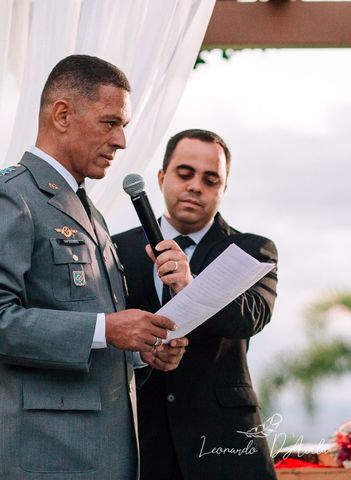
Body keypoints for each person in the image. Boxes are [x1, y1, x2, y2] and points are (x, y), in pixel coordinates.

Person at [0, 55, 187, 479]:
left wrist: (141, 351)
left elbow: (94, 333)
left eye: (124, 126)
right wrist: (108, 328)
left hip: (102, 459)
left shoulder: (88, 211)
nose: (121, 141)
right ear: (62, 114)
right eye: (110, 122)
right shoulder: (7, 197)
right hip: (40, 462)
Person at [113, 129, 278, 480]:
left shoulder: (251, 250)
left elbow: (252, 316)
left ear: (224, 189)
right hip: (143, 442)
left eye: (210, 179)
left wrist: (191, 286)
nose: (195, 186)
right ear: (161, 178)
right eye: (185, 174)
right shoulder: (115, 250)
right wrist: (140, 356)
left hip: (224, 441)